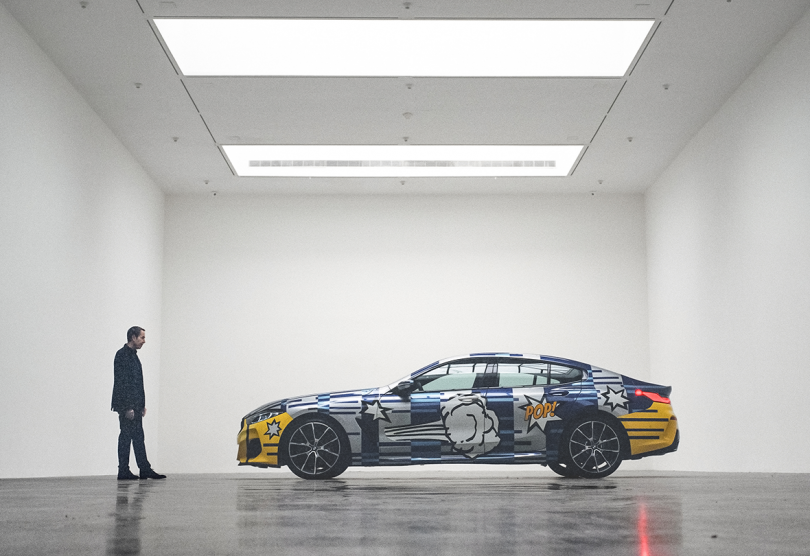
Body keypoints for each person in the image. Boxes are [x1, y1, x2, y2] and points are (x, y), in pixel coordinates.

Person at [111, 326, 166, 480]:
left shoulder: (133, 356)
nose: (144, 341)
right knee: (126, 437)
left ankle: (144, 468)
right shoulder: (122, 355)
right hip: (127, 406)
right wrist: (127, 407)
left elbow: (137, 383)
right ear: (133, 337)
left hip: (135, 405)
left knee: (138, 437)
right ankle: (123, 470)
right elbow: (122, 383)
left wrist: (141, 405)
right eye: (142, 337)